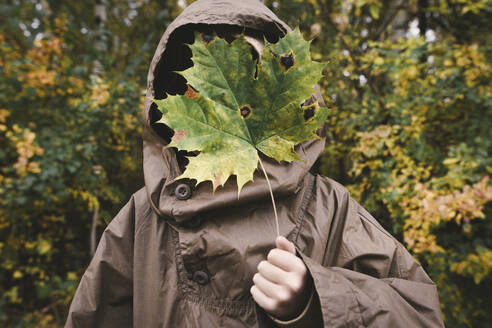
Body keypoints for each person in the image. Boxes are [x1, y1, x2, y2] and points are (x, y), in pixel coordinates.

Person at [65, 0, 445, 327]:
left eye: (250, 70)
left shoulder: (326, 207)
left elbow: (420, 313)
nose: (230, 105)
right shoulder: (144, 216)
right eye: (204, 90)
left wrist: (315, 297)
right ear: (176, 103)